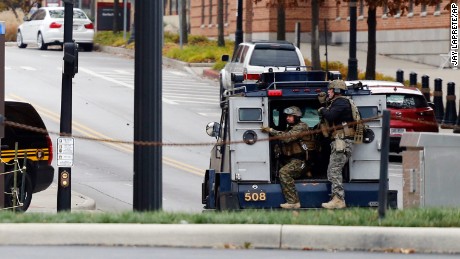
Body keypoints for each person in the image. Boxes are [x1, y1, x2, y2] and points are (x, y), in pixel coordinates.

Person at [317, 79, 358, 209]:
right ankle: (336, 198)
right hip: (340, 141)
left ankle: (339, 199)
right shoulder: (339, 102)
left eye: (330, 90)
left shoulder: (341, 102)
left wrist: (322, 109)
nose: (328, 92)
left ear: (336, 91)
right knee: (333, 170)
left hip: (342, 141)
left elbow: (330, 116)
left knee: (334, 170)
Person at [261, 106, 310, 209]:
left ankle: (293, 202)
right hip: (291, 160)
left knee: (284, 172)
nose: (287, 118)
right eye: (287, 116)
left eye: (290, 116)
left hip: (299, 161)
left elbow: (287, 138)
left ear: (296, 117)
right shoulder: (290, 127)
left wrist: (271, 130)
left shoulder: (301, 126)